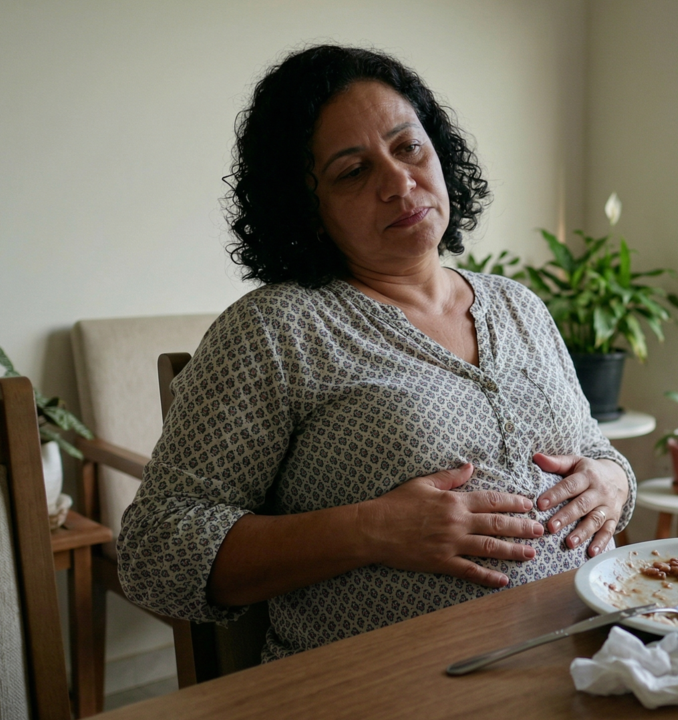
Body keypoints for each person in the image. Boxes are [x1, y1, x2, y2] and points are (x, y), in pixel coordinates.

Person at [117, 45, 636, 662]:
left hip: (589, 662)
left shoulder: (521, 306)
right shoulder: (275, 331)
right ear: (309, 213)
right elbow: (155, 552)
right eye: (352, 171)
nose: (398, 182)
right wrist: (373, 530)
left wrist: (611, 481)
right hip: (387, 688)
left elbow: (598, 455)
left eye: (408, 147)